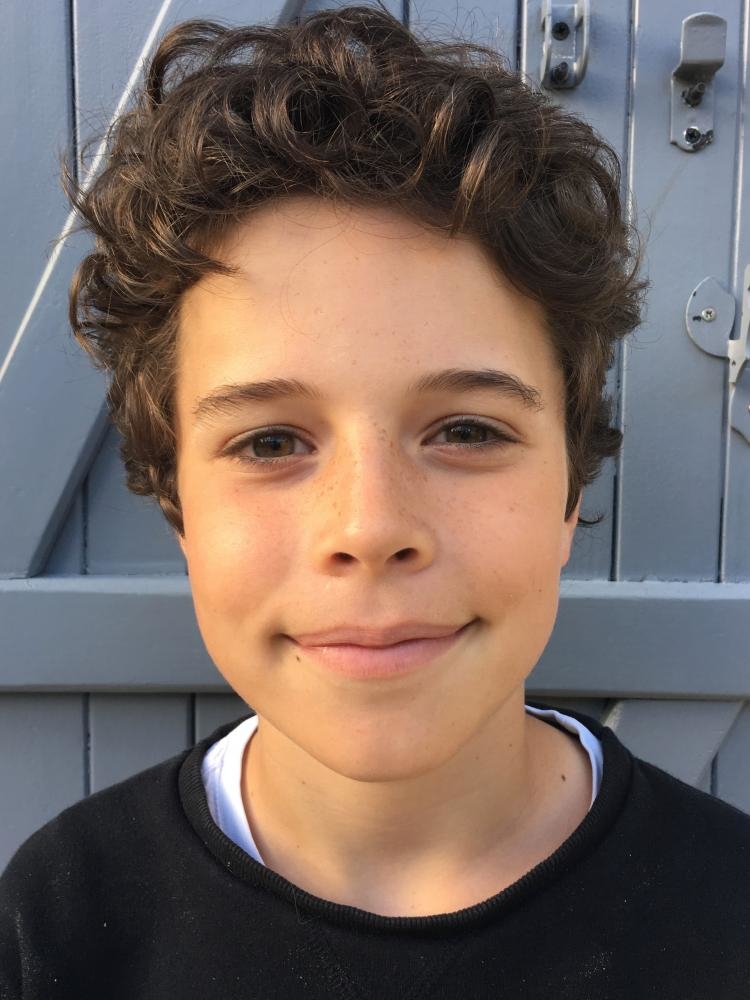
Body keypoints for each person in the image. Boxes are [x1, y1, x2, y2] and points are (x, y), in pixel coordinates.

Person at [1, 4, 749, 997]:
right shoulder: (56, 924)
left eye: (468, 431)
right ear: (179, 505)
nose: (370, 526)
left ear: (570, 487)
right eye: (271, 442)